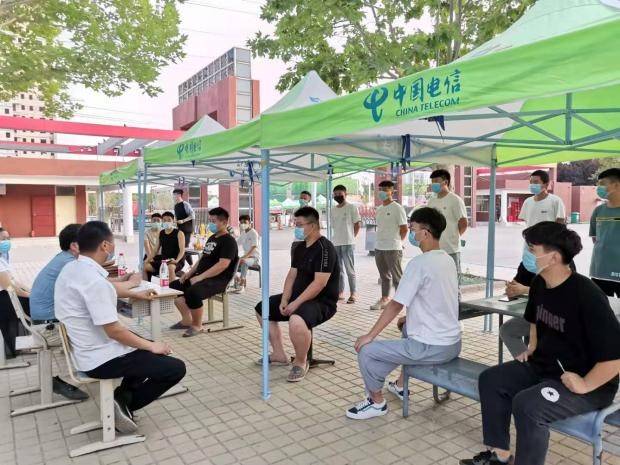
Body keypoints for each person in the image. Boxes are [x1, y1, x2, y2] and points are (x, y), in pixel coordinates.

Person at [460, 221, 620, 465]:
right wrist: (533, 347)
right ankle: (500, 456)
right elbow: (535, 319)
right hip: (545, 366)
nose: (528, 254)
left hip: (589, 383)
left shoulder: (587, 294)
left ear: (553, 257)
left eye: (532, 249)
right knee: (491, 380)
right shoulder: (539, 283)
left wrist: (586, 384)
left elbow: (615, 357)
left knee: (527, 405)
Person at [55, 221, 186, 433]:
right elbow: (114, 331)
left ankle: (122, 399)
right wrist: (152, 346)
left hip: (85, 348)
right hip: (99, 359)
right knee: (174, 367)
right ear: (105, 245)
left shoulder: (72, 268)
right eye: (113, 243)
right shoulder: (93, 281)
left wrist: (135, 293)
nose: (114, 247)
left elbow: (107, 288)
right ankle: (124, 405)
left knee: (144, 346)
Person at [346, 207, 461, 419]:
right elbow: (439, 299)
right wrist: (410, 317)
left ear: (425, 233)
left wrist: (370, 335)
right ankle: (399, 385)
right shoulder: (447, 259)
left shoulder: (419, 263)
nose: (411, 234)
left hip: (431, 347)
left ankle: (376, 402)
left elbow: (395, 304)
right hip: (452, 344)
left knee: (366, 350)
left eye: (413, 229)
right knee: (406, 328)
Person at [255, 206, 339, 382]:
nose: (296, 228)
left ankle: (301, 362)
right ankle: (279, 354)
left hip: (321, 302)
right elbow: (292, 275)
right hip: (297, 297)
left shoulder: (325, 248)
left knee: (297, 320)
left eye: (299, 225)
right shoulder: (299, 247)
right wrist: (285, 299)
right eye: (295, 224)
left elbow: (319, 284)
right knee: (263, 308)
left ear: (313, 225)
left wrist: (295, 303)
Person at [169, 207, 238, 337]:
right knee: (174, 286)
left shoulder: (229, 241)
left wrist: (200, 277)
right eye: (210, 221)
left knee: (193, 292)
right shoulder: (212, 238)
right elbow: (202, 259)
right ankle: (187, 319)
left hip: (218, 279)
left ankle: (197, 325)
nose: (210, 224)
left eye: (213, 221)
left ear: (224, 222)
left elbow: (223, 265)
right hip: (202, 276)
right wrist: (189, 274)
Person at [371, 180, 407, 311]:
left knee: (397, 278)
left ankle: (400, 302)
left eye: (385, 189)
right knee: (384, 276)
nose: (382, 192)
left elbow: (404, 228)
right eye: (380, 189)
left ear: (392, 191)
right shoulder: (379, 209)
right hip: (379, 247)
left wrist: (398, 242)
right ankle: (384, 299)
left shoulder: (397, 208)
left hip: (393, 248)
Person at [426, 169, 468, 282]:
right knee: (436, 281)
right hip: (434, 250)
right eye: (432, 181)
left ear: (445, 182)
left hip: (451, 250)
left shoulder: (455, 200)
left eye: (436, 181)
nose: (433, 184)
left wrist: (452, 236)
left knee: (452, 282)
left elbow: (463, 223)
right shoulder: (431, 201)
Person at [0, 227, 31, 357]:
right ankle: (13, 347)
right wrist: (29, 295)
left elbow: (13, 280)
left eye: (8, 238)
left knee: (30, 300)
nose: (6, 241)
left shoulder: (3, 257)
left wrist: (30, 291)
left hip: (7, 294)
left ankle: (18, 345)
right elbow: (9, 287)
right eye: (3, 239)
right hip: (3, 298)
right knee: (29, 304)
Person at [589, 167, 620, 297]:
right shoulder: (598, 210)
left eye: (602, 184)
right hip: (600, 272)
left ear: (616, 185)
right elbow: (595, 238)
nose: (599, 188)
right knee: (601, 306)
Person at [330, 184, 361, 304]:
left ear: (345, 194)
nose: (338, 196)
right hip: (336, 243)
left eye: (340, 194)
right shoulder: (333, 210)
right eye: (335, 194)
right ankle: (340, 292)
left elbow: (357, 225)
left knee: (350, 270)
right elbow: (334, 226)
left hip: (348, 243)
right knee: (338, 270)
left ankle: (353, 293)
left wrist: (351, 237)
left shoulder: (352, 207)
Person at [144, 211, 185, 280]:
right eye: (164, 220)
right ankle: (146, 285)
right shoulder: (161, 233)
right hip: (165, 260)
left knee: (170, 268)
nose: (166, 222)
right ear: (162, 222)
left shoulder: (179, 233)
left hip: (177, 260)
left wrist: (176, 261)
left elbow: (182, 250)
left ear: (173, 221)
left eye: (169, 220)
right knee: (145, 266)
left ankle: (173, 286)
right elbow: (155, 250)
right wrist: (147, 260)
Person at [234, 215, 260, 294]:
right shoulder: (243, 233)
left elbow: (254, 248)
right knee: (231, 261)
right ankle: (237, 278)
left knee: (244, 261)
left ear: (249, 222)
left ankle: (242, 285)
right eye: (241, 223)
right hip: (246, 257)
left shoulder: (253, 233)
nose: (243, 224)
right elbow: (236, 243)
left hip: (254, 258)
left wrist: (245, 257)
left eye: (245, 222)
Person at [173, 188, 195, 265]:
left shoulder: (185, 204)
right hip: (180, 228)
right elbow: (176, 217)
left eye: (174, 195)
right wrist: (176, 223)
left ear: (179, 195)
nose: (173, 196)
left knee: (184, 247)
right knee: (180, 247)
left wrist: (183, 221)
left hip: (187, 228)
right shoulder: (175, 206)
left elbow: (192, 215)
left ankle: (189, 265)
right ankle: (190, 265)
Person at [142, 213, 162, 279]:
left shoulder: (163, 232)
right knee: (143, 266)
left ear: (161, 222)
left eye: (158, 220)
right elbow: (147, 247)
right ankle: (146, 283)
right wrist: (151, 259)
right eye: (154, 220)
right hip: (149, 255)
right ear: (151, 221)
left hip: (161, 257)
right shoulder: (146, 233)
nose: (156, 222)